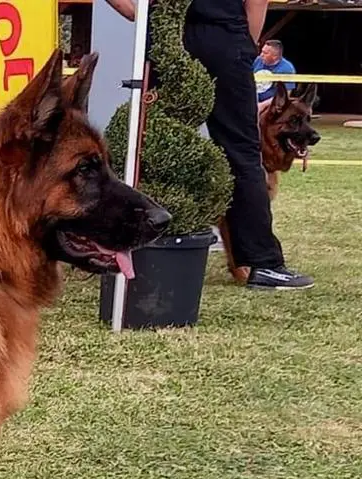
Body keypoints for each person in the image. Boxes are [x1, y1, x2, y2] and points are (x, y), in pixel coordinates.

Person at [110, 0, 312, 289]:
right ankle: (261, 263)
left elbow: (131, 10)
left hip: (166, 33)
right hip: (223, 32)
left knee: (148, 144)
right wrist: (244, 40)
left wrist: (140, 13)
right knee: (240, 149)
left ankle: (132, 250)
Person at [254, 39, 296, 109]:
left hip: (271, 105)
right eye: (262, 51)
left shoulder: (287, 68)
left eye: (265, 53)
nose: (261, 55)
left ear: (275, 56)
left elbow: (285, 95)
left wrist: (262, 105)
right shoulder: (257, 60)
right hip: (253, 99)